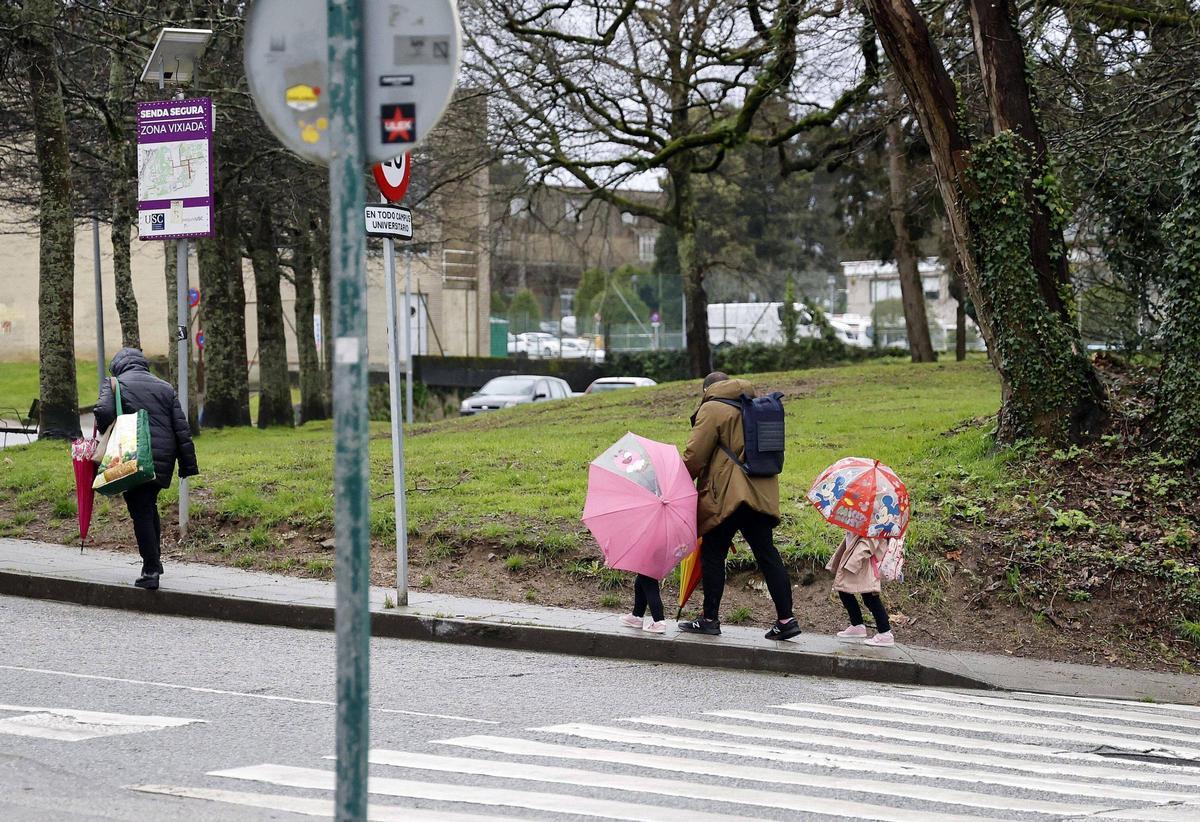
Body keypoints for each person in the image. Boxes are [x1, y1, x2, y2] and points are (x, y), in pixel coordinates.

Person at [678, 371, 800, 640]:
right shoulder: (753, 405)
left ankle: (709, 618)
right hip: (760, 493)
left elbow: (695, 455)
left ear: (707, 389)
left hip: (728, 496)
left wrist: (677, 481)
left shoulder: (712, 407)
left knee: (713, 554)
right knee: (767, 554)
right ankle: (786, 619)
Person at [94, 348, 198, 590]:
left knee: (140, 511)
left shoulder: (114, 383)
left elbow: (103, 412)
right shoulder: (165, 387)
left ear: (118, 366)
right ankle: (156, 561)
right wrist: (186, 465)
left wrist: (103, 428)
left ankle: (150, 570)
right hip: (163, 459)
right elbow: (182, 429)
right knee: (147, 506)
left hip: (133, 457)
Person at [827, 533, 895, 646]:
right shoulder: (862, 522)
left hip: (864, 563)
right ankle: (857, 625)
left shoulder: (875, 525)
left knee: (870, 597)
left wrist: (853, 562)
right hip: (857, 561)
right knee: (844, 591)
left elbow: (869, 544)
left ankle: (885, 633)